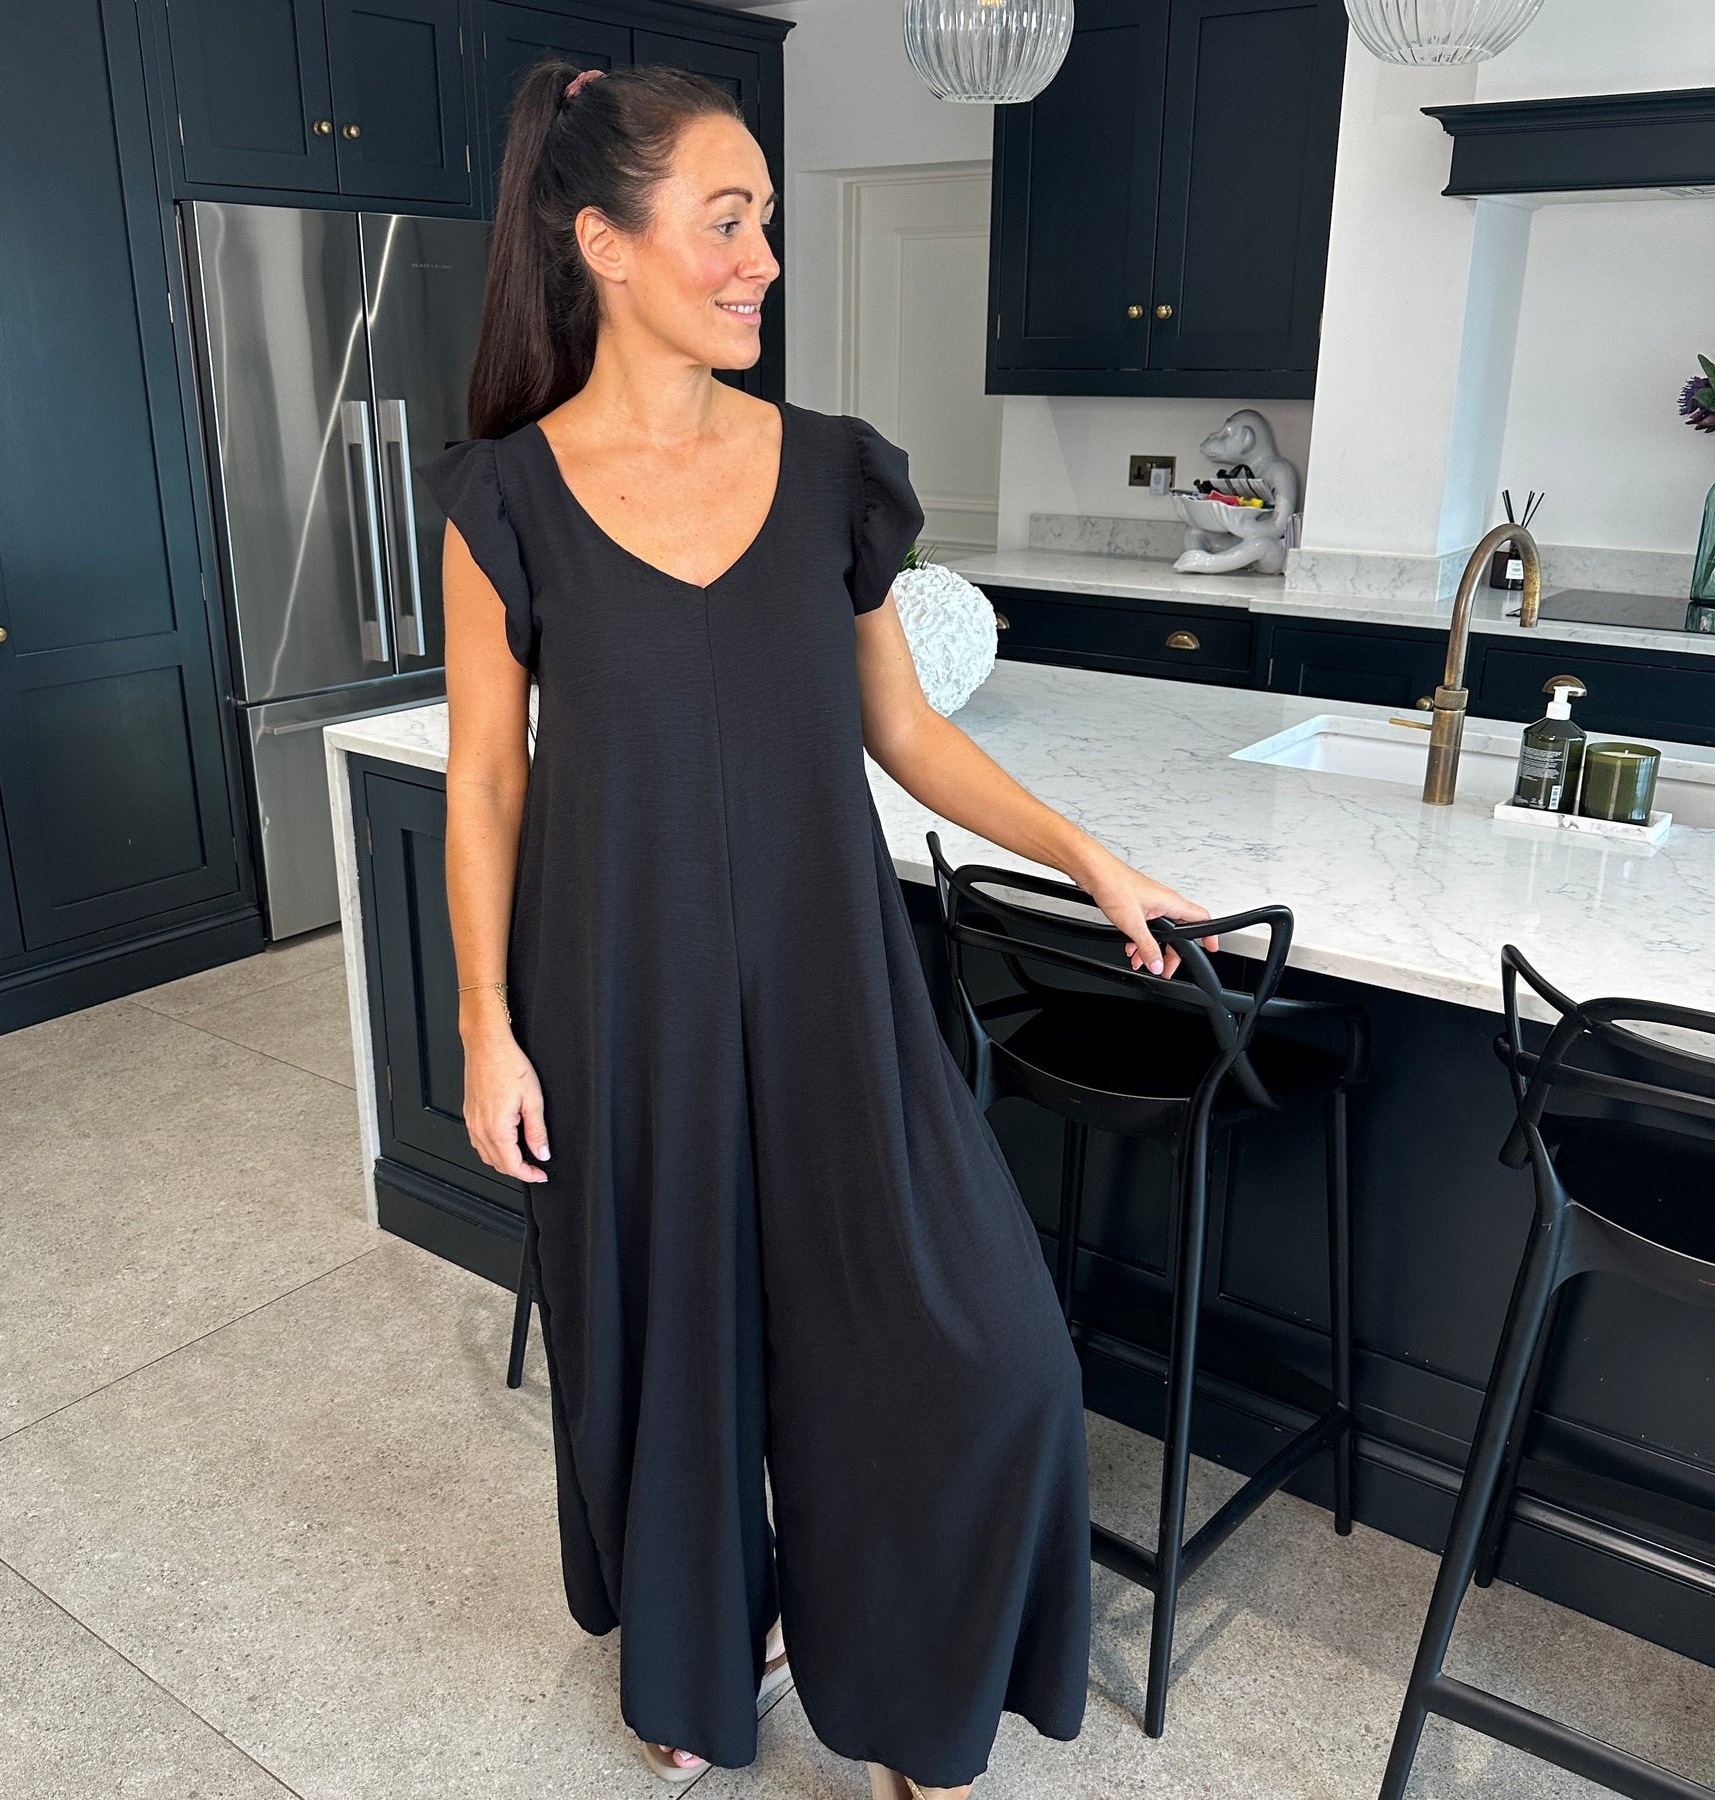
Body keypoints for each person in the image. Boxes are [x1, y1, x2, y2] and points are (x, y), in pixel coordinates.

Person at [417, 59, 1216, 1800]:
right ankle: (708, 1645)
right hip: (615, 994)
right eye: (727, 220)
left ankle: (909, 1702)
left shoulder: (832, 472)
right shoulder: (506, 500)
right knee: (666, 1350)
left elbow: (903, 729)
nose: (763, 258)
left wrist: (1089, 856)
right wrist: (484, 1019)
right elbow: (485, 779)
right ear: (604, 244)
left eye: (766, 221)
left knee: (991, 1351)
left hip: (837, 988)